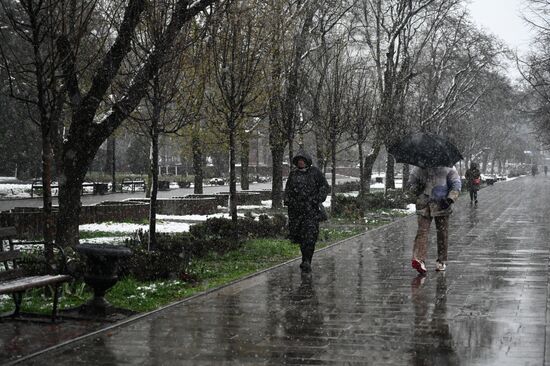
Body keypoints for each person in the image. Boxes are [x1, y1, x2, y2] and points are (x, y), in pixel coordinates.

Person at [407, 165, 461, 274]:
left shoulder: (449, 168)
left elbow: (456, 183)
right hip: (424, 205)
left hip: (442, 204)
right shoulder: (419, 167)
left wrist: (450, 199)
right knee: (422, 231)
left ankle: (441, 260)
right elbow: (411, 183)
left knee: (442, 233)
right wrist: (417, 187)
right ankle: (419, 259)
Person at [284, 149, 329, 273]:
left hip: (311, 211)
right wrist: (289, 201)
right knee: (301, 237)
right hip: (297, 212)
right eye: (299, 161)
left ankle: (307, 260)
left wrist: (317, 199)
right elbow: (288, 190)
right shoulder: (293, 174)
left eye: (303, 161)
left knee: (310, 236)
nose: (301, 163)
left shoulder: (315, 173)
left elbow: (325, 187)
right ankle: (305, 259)